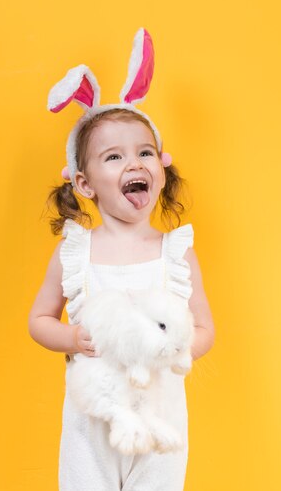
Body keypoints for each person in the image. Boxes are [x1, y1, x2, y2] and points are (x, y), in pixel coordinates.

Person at [28, 28, 215, 491]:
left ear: (160, 167)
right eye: (113, 157)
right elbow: (38, 319)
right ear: (85, 184)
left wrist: (171, 351)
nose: (134, 163)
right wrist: (72, 336)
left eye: (144, 152)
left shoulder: (176, 253)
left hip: (159, 421)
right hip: (90, 424)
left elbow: (205, 328)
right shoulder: (76, 253)